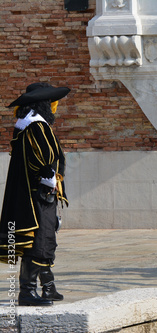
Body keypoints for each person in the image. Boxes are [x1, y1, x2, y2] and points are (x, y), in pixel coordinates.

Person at [0, 82, 70, 306]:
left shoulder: (25, 125)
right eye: (51, 103)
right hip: (38, 195)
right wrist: (51, 178)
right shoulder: (36, 127)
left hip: (36, 192)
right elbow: (43, 159)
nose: (54, 107)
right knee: (39, 240)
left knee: (45, 238)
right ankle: (27, 292)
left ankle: (48, 286)